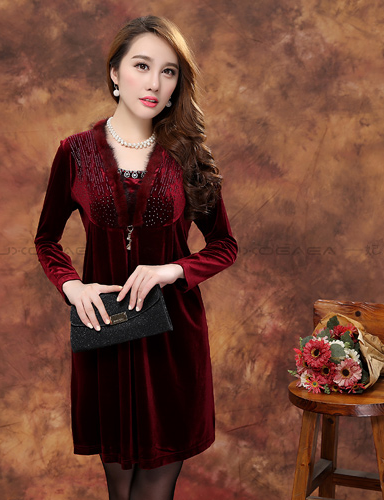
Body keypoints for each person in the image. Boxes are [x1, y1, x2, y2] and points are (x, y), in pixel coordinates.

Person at [35, 16, 238, 500]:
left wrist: (174, 269)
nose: (154, 83)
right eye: (142, 66)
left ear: (177, 84)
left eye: (168, 72)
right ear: (114, 72)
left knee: (153, 490)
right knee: (119, 488)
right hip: (105, 336)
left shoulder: (188, 156)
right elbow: (47, 240)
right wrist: (72, 286)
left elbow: (224, 245)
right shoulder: (74, 153)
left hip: (172, 341)